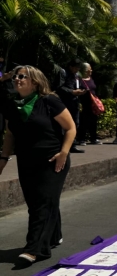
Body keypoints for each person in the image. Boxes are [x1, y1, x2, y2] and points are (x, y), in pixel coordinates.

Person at [0, 66, 76, 265]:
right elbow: (10, 134)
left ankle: (35, 249)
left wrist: (64, 152)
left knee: (42, 203)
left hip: (52, 160)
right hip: (26, 161)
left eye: (22, 76)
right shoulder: (12, 104)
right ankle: (53, 235)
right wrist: (3, 158)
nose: (17, 79)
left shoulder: (49, 101)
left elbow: (70, 128)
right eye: (15, 76)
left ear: (34, 81)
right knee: (39, 202)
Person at [56, 59, 85, 154]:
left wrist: (81, 91)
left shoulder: (77, 76)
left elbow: (78, 86)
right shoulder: (63, 73)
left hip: (75, 102)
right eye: (76, 68)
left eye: (78, 68)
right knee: (63, 124)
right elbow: (59, 88)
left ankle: (73, 145)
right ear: (71, 66)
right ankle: (62, 146)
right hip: (64, 102)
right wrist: (72, 92)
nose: (77, 70)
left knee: (75, 123)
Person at [77, 63, 100, 145]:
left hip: (93, 104)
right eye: (90, 69)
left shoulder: (91, 79)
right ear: (86, 70)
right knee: (84, 122)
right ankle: (81, 139)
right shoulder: (80, 80)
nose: (91, 71)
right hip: (85, 103)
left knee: (94, 121)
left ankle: (93, 138)